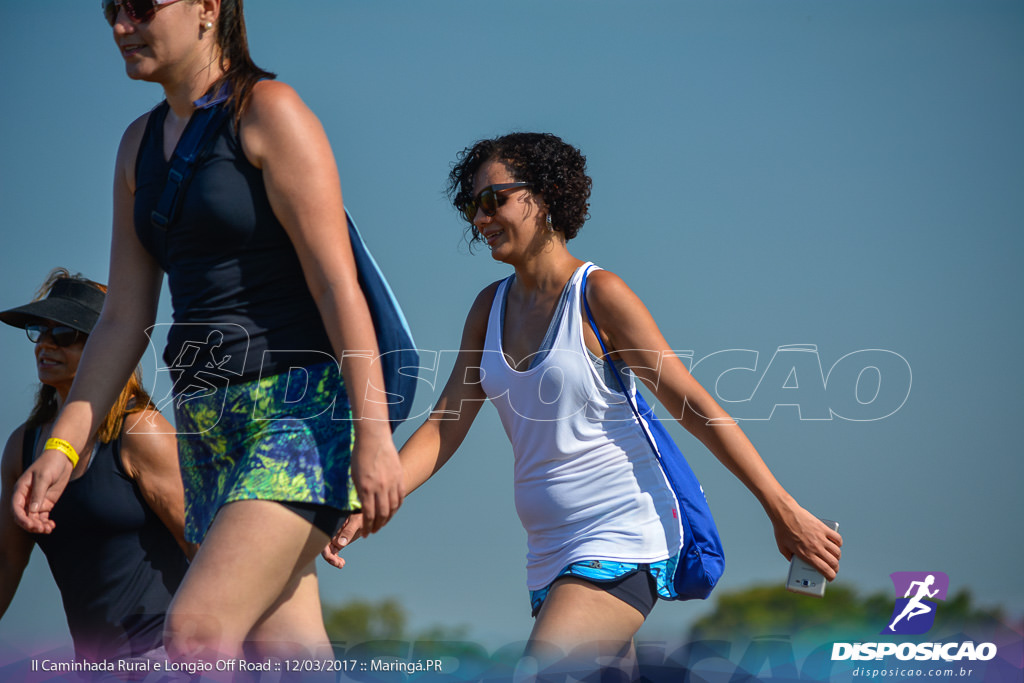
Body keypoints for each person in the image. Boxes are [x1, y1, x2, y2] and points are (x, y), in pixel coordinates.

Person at [324, 132, 843, 678]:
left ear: (544, 196)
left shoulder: (598, 295)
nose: (480, 218)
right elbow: (444, 426)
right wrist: (371, 498)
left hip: (622, 531)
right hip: (548, 552)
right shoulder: (487, 308)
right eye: (470, 205)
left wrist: (782, 509)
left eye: (494, 199)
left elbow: (693, 404)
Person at [12, 0, 403, 663]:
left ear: (207, 9)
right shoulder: (137, 145)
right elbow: (122, 318)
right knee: (287, 655)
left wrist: (374, 433)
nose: (120, 26)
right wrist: (63, 446)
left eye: (140, 7)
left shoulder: (269, 112)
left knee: (196, 631)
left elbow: (337, 284)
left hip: (297, 412)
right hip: (206, 426)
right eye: (111, 9)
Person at [0, 269, 191, 670]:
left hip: (168, 662)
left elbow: (205, 545)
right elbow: (7, 560)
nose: (46, 345)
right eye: (40, 330)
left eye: (65, 334)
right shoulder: (24, 447)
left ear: (107, 346)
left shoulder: (141, 431)